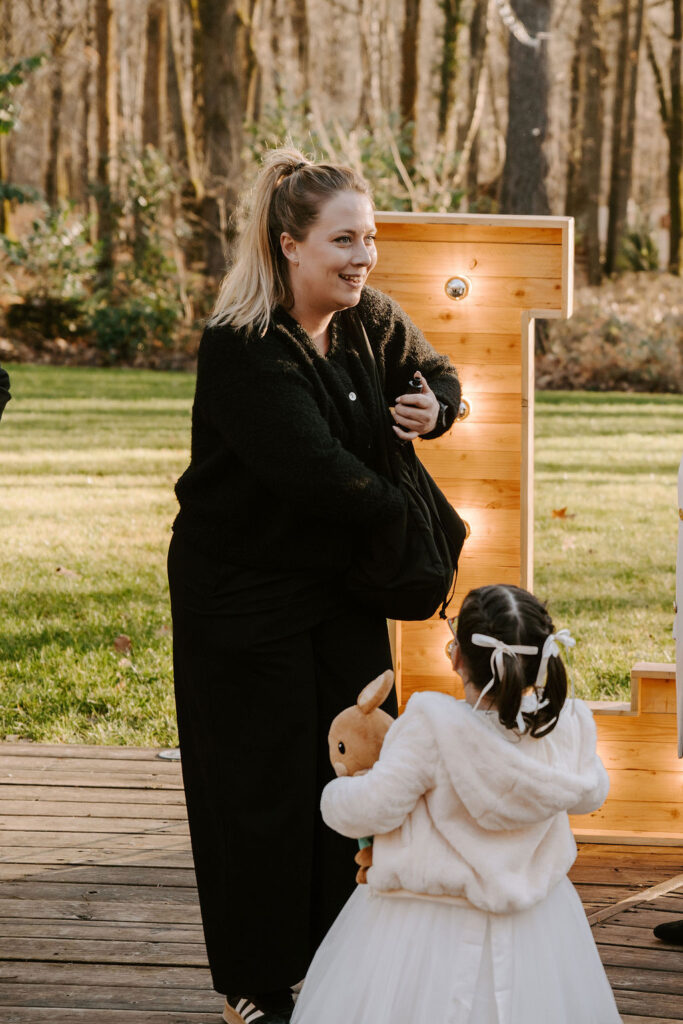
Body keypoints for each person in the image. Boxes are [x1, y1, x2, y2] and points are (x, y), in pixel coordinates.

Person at [167, 147, 461, 1024]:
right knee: (259, 788)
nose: (362, 257)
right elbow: (319, 474)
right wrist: (413, 526)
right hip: (243, 595)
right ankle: (256, 983)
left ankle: (346, 964)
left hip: (337, 585)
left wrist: (434, 407)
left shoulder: (369, 317)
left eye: (369, 238)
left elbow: (435, 369)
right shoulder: (244, 346)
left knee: (359, 766)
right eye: (343, 240)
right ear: (289, 243)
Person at [290, 584, 621, 1024]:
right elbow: (592, 792)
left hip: (425, 921)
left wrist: (340, 790)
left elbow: (371, 809)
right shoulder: (564, 728)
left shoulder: (431, 726)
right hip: (537, 922)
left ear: (456, 658)